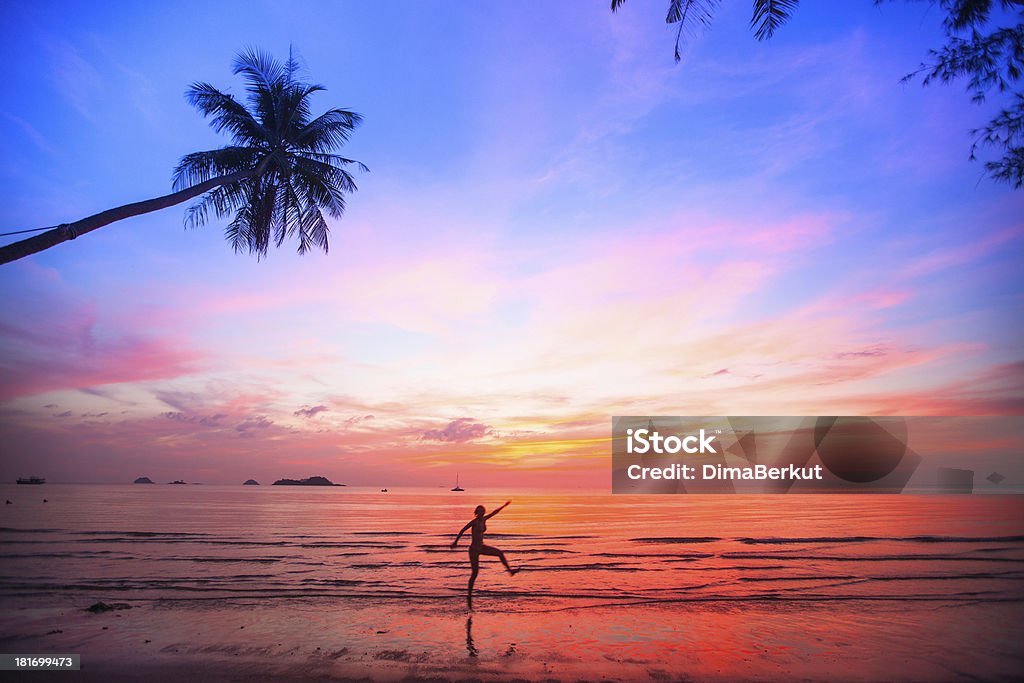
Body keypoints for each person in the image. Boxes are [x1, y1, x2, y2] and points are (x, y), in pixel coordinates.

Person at [451, 500, 518, 609]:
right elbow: (462, 530)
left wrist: (504, 506)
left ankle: (510, 571)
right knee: (475, 573)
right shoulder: (474, 522)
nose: (482, 513)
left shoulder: (484, 519)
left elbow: (495, 512)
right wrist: (455, 542)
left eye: (483, 511)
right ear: (477, 512)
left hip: (482, 547)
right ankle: (469, 595)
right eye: (480, 511)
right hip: (473, 550)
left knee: (500, 553)